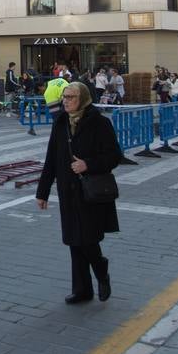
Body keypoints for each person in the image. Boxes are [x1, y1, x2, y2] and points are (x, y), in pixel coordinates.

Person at [35, 81, 121, 304]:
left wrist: (88, 164)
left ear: (82, 98)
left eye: (71, 97)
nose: (66, 101)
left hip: (90, 190)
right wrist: (42, 191)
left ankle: (101, 271)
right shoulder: (61, 123)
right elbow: (51, 158)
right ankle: (82, 289)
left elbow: (114, 156)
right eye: (64, 97)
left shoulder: (99, 123)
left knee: (87, 238)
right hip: (67, 189)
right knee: (74, 239)